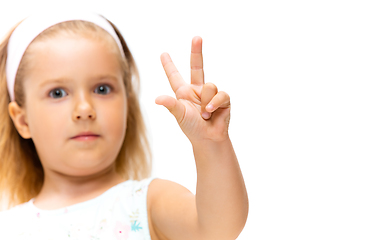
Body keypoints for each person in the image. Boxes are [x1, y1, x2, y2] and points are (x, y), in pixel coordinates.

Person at [0, 9, 248, 240]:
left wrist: (211, 143)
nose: (84, 109)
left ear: (127, 105)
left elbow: (217, 229)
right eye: (57, 93)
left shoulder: (146, 203)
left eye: (102, 89)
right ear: (22, 121)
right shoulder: (9, 229)